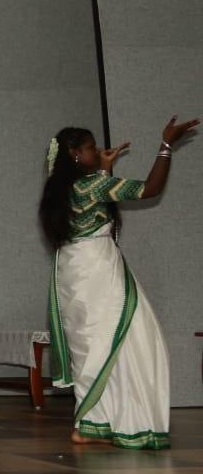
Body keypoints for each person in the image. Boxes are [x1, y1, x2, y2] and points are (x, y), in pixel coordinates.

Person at [40, 117, 196, 449]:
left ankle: (91, 424)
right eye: (90, 148)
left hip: (74, 271)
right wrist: (166, 146)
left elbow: (95, 209)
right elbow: (149, 189)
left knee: (96, 347)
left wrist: (104, 169)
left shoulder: (63, 190)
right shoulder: (90, 186)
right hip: (97, 270)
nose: (97, 151)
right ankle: (110, 423)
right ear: (75, 154)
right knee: (134, 340)